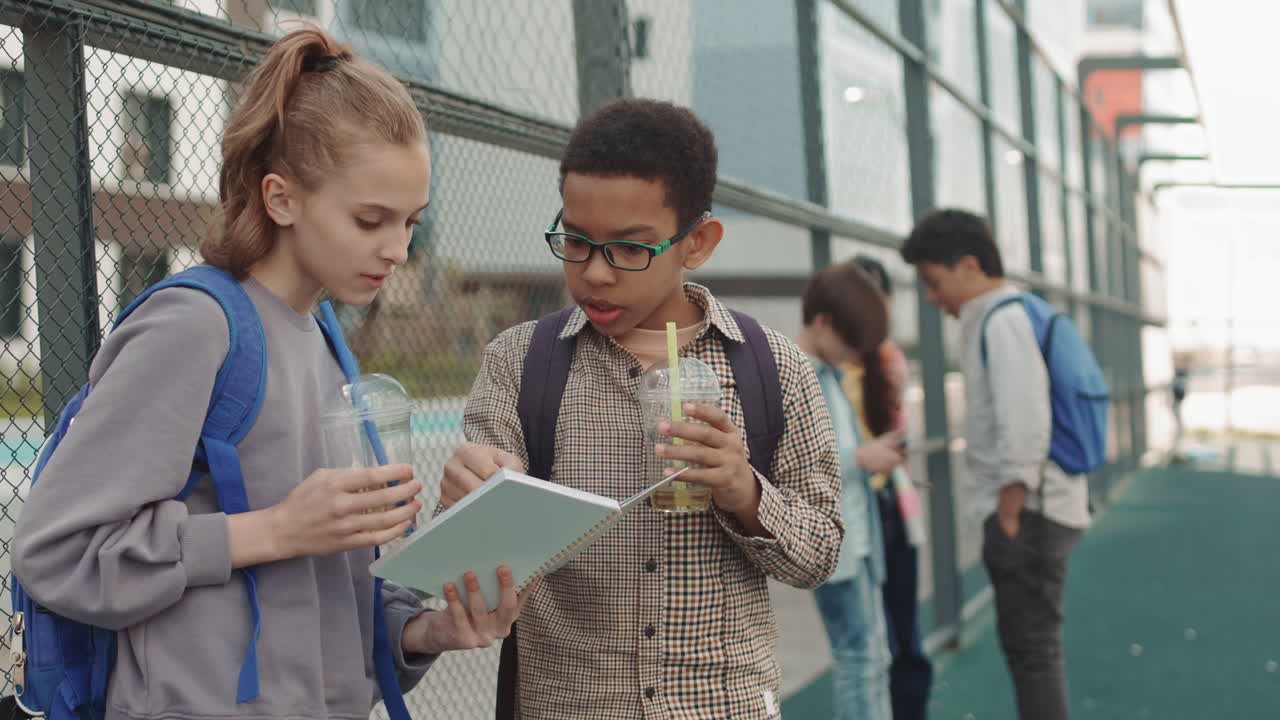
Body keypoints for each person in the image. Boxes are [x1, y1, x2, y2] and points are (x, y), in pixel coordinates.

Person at [12, 26, 526, 720]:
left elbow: (317, 596)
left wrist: (429, 629)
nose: (398, 249)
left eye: (411, 222)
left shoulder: (321, 334)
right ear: (281, 199)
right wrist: (276, 529)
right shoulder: (196, 328)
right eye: (371, 219)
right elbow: (56, 551)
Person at [439, 98, 843, 719]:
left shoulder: (771, 367)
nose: (596, 274)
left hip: (720, 704)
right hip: (569, 704)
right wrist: (470, 510)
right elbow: (477, 572)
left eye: (630, 249)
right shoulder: (520, 364)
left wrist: (745, 491)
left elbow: (820, 555)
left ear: (698, 242)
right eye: (576, 241)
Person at [900, 209, 1088, 720]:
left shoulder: (1003, 321)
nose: (935, 299)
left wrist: (1009, 507)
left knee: (1033, 654)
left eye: (935, 283)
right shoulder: (1017, 312)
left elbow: (1026, 421)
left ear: (968, 265)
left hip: (1029, 515)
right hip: (1039, 509)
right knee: (1033, 651)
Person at [795, 261, 902, 720]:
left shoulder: (826, 375)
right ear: (823, 322)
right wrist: (861, 458)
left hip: (856, 536)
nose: (853, 355)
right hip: (835, 543)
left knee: (873, 655)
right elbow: (796, 468)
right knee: (861, 657)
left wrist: (864, 454)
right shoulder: (798, 375)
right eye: (849, 342)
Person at [847, 255, 933, 720]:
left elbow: (898, 437)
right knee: (866, 643)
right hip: (857, 507)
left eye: (880, 297)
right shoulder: (832, 365)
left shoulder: (887, 359)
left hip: (891, 503)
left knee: (904, 633)